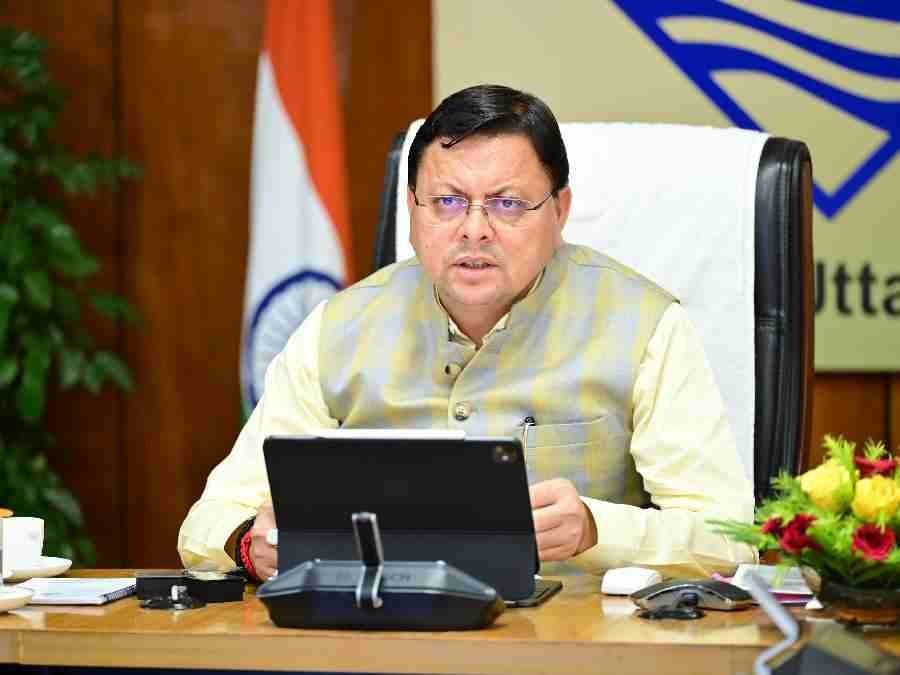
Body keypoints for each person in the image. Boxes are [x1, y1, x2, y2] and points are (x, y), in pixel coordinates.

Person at [178, 84, 755, 581]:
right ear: (412, 210)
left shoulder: (644, 325)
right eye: (448, 201)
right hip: (378, 636)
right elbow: (207, 523)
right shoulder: (338, 329)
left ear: (560, 211)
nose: (474, 230)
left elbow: (730, 538)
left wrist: (597, 528)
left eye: (507, 204)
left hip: (568, 643)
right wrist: (250, 545)